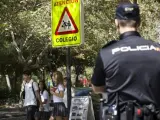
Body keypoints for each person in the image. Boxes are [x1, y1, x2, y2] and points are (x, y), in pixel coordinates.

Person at [91, 2, 160, 120]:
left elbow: (97, 88)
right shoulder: (157, 50)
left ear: (116, 23)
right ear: (139, 22)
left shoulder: (106, 53)